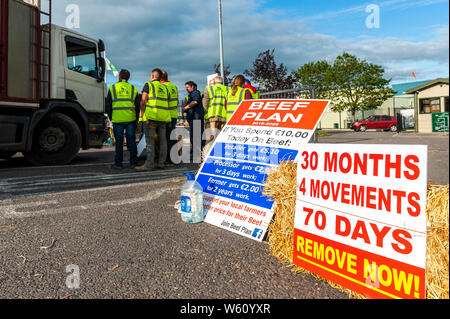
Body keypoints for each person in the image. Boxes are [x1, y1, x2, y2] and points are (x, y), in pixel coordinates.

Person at [135, 68, 171, 171]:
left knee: (150, 142)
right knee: (163, 141)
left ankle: (149, 164)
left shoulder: (148, 85)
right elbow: (167, 102)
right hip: (163, 117)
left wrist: (142, 116)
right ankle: (161, 163)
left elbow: (143, 101)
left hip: (151, 118)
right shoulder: (165, 88)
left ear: (152, 76)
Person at [105, 69, 139, 169]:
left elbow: (108, 105)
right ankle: (134, 162)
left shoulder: (112, 88)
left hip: (117, 119)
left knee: (119, 142)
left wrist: (111, 117)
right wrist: (136, 118)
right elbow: (137, 106)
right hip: (130, 119)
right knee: (131, 141)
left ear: (119, 77)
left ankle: (118, 164)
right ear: (128, 77)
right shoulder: (133, 88)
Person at [203, 75, 227, 148]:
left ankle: (206, 155)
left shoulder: (209, 88)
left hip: (212, 116)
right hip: (224, 116)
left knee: (210, 137)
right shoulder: (228, 89)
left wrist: (205, 112)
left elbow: (205, 103)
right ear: (222, 82)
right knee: (222, 138)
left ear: (214, 82)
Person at [161, 70, 179, 165]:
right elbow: (177, 102)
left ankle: (168, 159)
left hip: (166, 115)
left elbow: (164, 101)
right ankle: (174, 157)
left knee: (165, 138)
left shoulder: (163, 87)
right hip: (174, 115)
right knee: (172, 137)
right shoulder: (174, 87)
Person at [184, 81, 205, 162]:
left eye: (188, 87)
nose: (186, 89)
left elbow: (195, 101)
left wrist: (186, 107)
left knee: (196, 137)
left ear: (192, 86)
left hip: (196, 117)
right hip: (195, 117)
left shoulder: (195, 92)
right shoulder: (193, 93)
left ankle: (198, 156)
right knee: (195, 136)